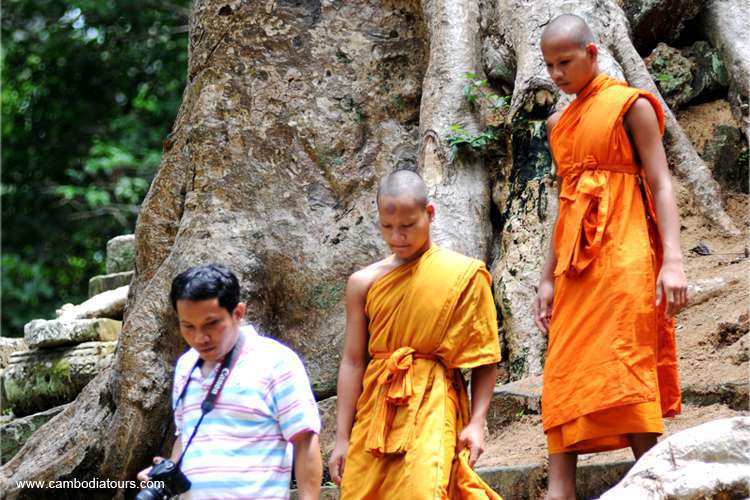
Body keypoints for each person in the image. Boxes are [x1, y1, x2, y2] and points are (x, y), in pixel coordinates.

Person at [533, 14, 688, 500]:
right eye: (549, 66)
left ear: (593, 52)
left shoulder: (630, 106)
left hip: (624, 255)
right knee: (563, 372)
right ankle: (561, 489)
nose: (557, 74)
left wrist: (674, 261)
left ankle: (655, 479)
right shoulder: (559, 123)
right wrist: (545, 278)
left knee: (625, 364)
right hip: (573, 268)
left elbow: (661, 184)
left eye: (566, 62)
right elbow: (564, 206)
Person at [328, 169, 502, 499]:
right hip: (376, 408)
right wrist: (342, 437)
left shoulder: (463, 274)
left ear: (430, 213)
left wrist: (477, 422)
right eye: (387, 227)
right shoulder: (363, 283)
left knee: (426, 489)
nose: (398, 237)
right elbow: (352, 362)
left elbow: (485, 357)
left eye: (408, 226)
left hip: (433, 401)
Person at [137, 264, 322, 499]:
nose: (199, 338)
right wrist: (168, 471)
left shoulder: (276, 361)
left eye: (211, 324)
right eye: (188, 326)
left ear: (238, 313)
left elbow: (305, 442)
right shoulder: (186, 365)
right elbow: (186, 437)